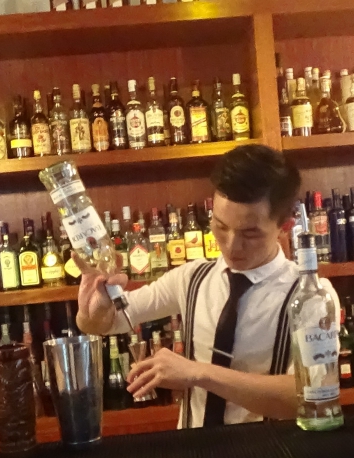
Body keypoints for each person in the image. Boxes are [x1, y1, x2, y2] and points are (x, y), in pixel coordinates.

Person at [75, 144, 338, 427]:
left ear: (285, 226)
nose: (231, 245)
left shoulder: (311, 295)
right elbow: (108, 323)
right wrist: (93, 310)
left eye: (250, 233)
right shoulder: (193, 277)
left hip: (268, 448)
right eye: (221, 226)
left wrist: (199, 373)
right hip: (194, 448)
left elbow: (311, 396)